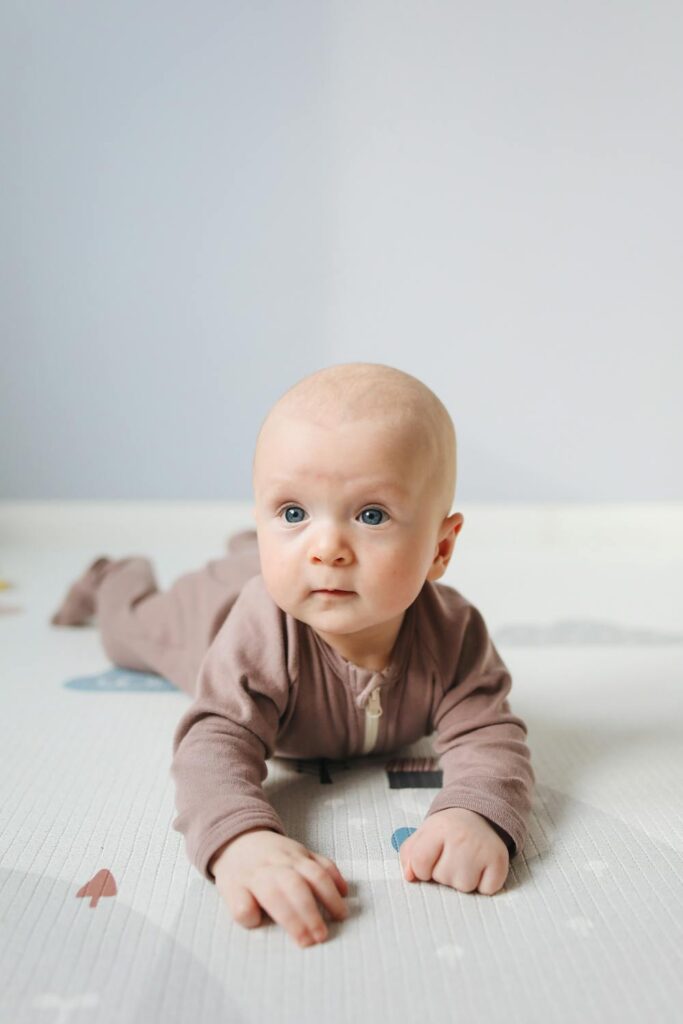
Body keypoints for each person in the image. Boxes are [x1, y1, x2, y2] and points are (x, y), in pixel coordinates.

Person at [51, 362, 534, 950]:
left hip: (268, 572)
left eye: (371, 515)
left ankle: (252, 543)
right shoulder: (261, 635)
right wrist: (241, 840)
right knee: (126, 634)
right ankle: (115, 574)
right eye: (293, 512)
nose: (327, 548)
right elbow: (214, 742)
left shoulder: (452, 634)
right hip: (208, 617)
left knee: (273, 562)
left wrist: (475, 814)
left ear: (440, 546)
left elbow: (490, 734)